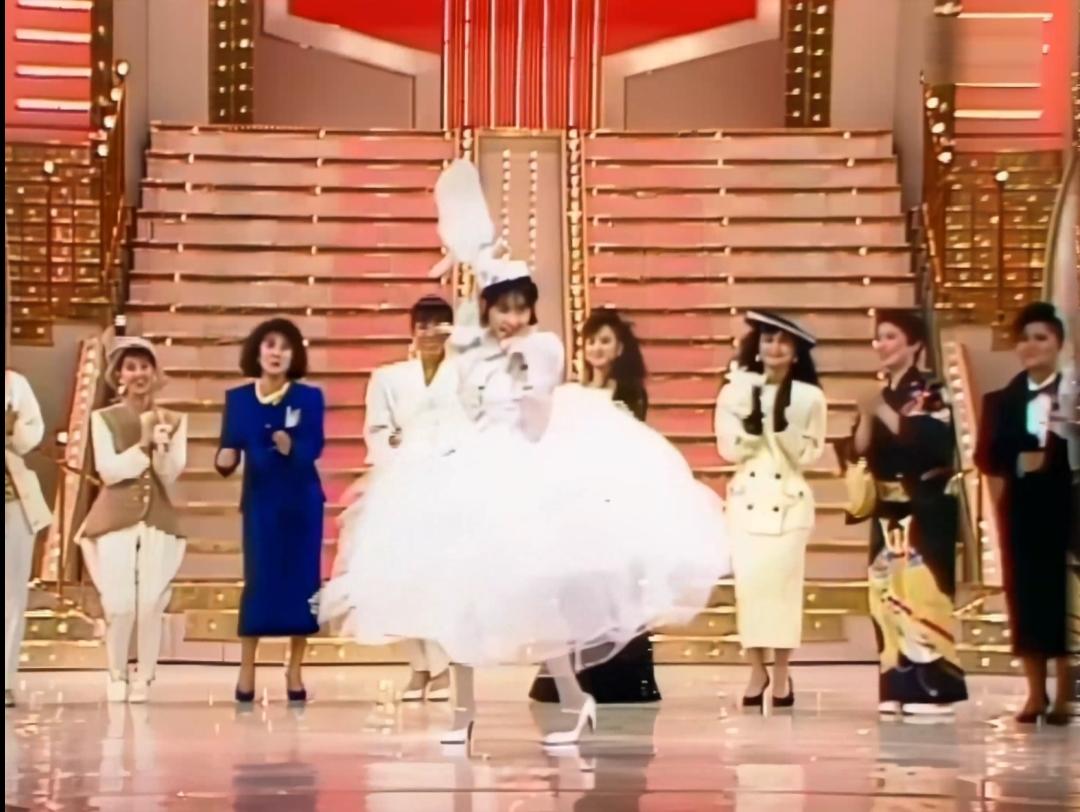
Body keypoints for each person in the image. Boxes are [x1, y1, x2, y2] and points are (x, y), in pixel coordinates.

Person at [319, 158, 729, 749]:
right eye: (502, 307)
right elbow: (466, 402)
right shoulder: (472, 351)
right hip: (470, 468)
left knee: (542, 602)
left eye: (519, 307)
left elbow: (536, 411)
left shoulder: (544, 348)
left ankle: (575, 700)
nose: (512, 317)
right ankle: (462, 715)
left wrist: (508, 364)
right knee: (458, 595)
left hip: (526, 469)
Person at [530, 308, 661, 705]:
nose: (597, 348)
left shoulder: (629, 395)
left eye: (605, 341)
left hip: (616, 501)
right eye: (591, 341)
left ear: (619, 348)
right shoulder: (572, 395)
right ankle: (575, 677)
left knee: (617, 588)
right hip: (579, 504)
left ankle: (620, 678)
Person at [851, 310, 968, 716]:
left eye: (891, 337)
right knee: (885, 598)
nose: (881, 345)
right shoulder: (880, 393)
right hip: (887, 508)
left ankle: (935, 689)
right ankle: (894, 684)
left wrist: (882, 411)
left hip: (926, 506)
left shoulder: (932, 390)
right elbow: (859, 450)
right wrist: (867, 415)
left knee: (923, 595)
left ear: (915, 344)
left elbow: (929, 443)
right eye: (878, 337)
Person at [714, 311, 827, 709]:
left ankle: (781, 673)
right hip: (746, 502)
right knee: (750, 590)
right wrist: (753, 421)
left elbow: (810, 453)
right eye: (767, 339)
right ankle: (755, 668)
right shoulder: (735, 391)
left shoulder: (810, 397)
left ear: (796, 352)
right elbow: (728, 449)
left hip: (789, 504)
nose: (774, 348)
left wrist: (782, 425)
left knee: (783, 590)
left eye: (783, 341)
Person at [975, 302, 1076, 726]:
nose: (1031, 346)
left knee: (1066, 599)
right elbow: (985, 456)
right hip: (1022, 510)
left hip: (1070, 507)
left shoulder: (1073, 396)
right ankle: (1035, 693)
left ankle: (1066, 694)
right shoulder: (1000, 401)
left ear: (1058, 344)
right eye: (1024, 339)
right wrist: (1019, 461)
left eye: (1041, 338)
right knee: (1027, 597)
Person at [215, 318, 325, 705]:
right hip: (261, 504)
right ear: (257, 351)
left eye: (285, 347)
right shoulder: (238, 399)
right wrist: (224, 458)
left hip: (301, 505)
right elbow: (228, 448)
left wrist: (291, 446)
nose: (276, 353)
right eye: (270, 345)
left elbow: (314, 446)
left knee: (302, 584)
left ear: (294, 355)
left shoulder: (309, 397)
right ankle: (247, 668)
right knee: (259, 583)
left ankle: (294, 669)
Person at [363, 294, 465, 702]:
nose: (430, 333)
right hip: (400, 487)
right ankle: (419, 668)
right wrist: (399, 454)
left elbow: (474, 426)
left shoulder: (464, 376)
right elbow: (377, 431)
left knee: (437, 579)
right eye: (423, 325)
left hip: (449, 487)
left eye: (438, 324)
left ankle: (441, 670)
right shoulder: (388, 378)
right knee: (400, 580)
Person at [79, 337, 187, 703]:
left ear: (155, 373)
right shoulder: (103, 419)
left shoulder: (173, 421)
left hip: (157, 520)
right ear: (119, 375)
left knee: (150, 603)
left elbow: (169, 475)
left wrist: (161, 449)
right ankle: (116, 673)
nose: (139, 374)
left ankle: (145, 676)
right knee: (120, 603)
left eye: (145, 366)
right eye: (131, 367)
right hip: (115, 518)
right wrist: (142, 446)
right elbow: (109, 472)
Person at [5, 369, 51, 708]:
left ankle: (5, 679)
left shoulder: (14, 384)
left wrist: (13, 428)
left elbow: (29, 435)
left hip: (13, 500)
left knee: (11, 594)